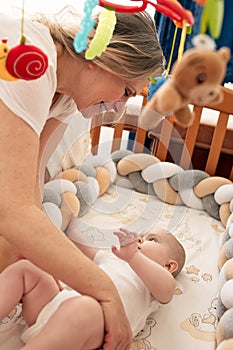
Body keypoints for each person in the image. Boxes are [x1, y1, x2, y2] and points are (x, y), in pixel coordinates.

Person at [0, 6, 165, 349]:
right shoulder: (33, 58)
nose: (119, 109)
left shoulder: (63, 99)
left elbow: (30, 188)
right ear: (102, 58)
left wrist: (37, 250)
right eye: (127, 91)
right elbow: (13, 211)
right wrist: (105, 293)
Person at [0, 228, 185, 349]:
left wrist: (134, 256)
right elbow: (81, 248)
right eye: (141, 237)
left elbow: (167, 291)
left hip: (94, 333)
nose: (139, 240)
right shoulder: (113, 258)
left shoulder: (156, 285)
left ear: (169, 266)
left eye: (150, 239)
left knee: (86, 307)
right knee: (27, 269)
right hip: (55, 306)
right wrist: (69, 225)